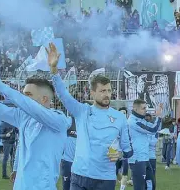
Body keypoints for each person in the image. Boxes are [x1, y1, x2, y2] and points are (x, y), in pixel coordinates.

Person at [0, 59, 70, 190]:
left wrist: (0, 86)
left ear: (44, 99)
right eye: (23, 95)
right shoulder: (23, 117)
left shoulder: (59, 120)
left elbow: (29, 106)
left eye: (28, 95)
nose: (23, 99)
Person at [46, 42, 133, 190]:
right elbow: (62, 94)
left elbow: (128, 150)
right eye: (102, 91)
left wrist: (119, 154)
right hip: (79, 176)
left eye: (109, 91)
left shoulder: (120, 118)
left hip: (105, 179)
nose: (107, 94)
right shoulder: (82, 111)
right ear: (92, 93)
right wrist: (54, 70)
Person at [128, 100, 162, 190]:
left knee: (151, 185)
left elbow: (154, 128)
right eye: (143, 108)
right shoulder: (133, 122)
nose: (145, 110)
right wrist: (158, 117)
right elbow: (153, 129)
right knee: (140, 187)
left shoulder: (140, 120)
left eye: (145, 108)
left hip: (144, 158)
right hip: (137, 159)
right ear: (135, 109)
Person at [145, 113, 161, 190]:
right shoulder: (142, 129)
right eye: (145, 119)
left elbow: (153, 143)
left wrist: (145, 141)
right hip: (142, 157)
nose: (147, 121)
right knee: (142, 178)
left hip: (151, 158)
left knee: (151, 178)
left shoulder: (154, 131)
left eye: (148, 119)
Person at [61, 115, 77, 190]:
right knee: (66, 187)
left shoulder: (85, 123)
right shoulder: (69, 121)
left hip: (79, 163)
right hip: (67, 161)